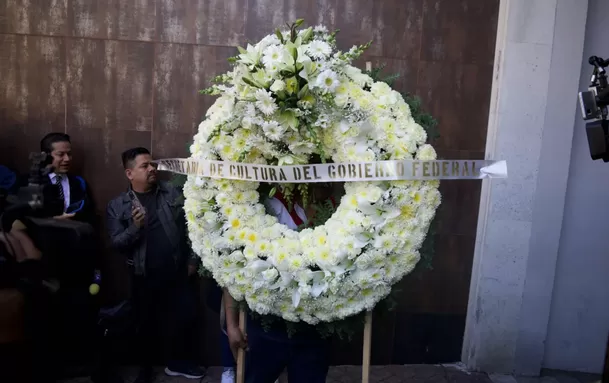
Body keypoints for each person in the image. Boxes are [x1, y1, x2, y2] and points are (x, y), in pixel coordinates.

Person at [106, 147, 204, 383]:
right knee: (145, 324)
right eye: (145, 166)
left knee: (185, 317)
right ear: (130, 174)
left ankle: (178, 364)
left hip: (176, 270)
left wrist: (192, 259)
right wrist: (135, 228)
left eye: (152, 164)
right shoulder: (118, 205)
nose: (152, 169)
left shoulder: (172, 192)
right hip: (143, 275)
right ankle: (145, 369)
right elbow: (117, 243)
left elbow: (193, 227)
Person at [224, 185, 335, 383]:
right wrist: (232, 324)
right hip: (265, 327)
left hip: (314, 329)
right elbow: (234, 267)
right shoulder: (266, 206)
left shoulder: (334, 212)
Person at [40, 132, 97, 224]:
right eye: (60, 154)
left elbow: (89, 214)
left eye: (69, 154)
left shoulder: (78, 183)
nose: (67, 159)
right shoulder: (34, 182)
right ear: (46, 156)